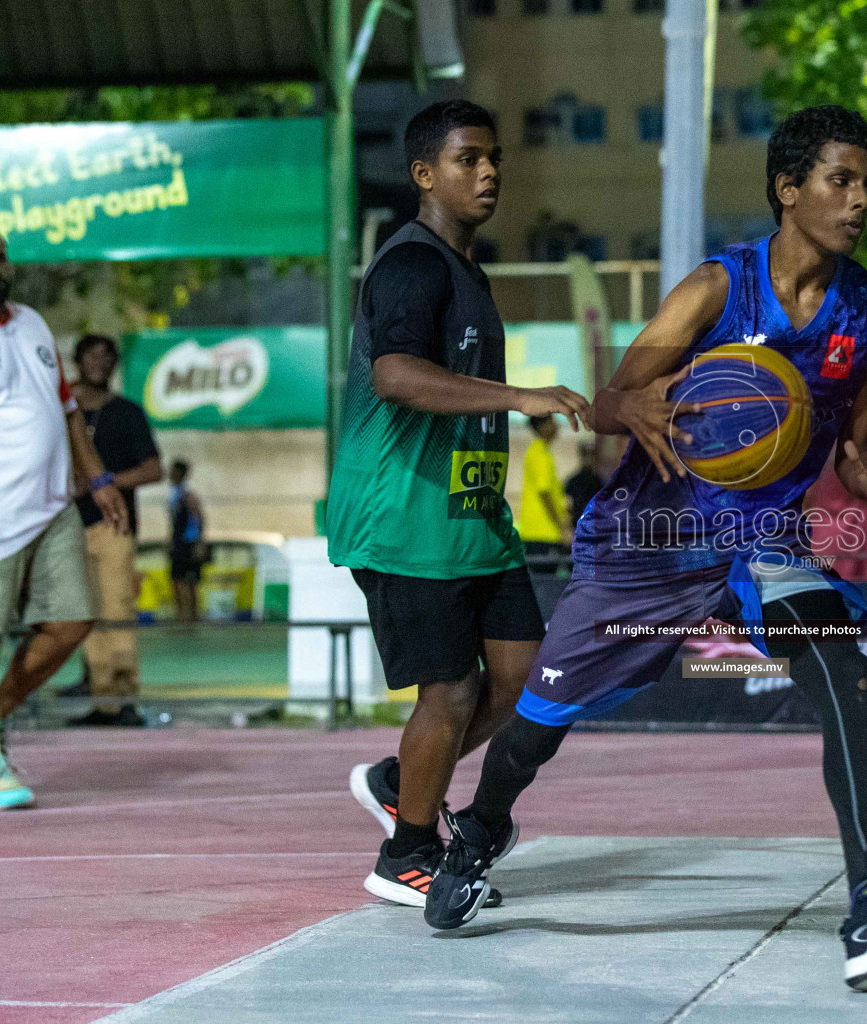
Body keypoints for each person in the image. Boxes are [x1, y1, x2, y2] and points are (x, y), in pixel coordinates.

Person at [418, 106, 867, 991]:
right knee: (535, 730)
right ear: (787, 189)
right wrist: (631, 406)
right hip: (651, 539)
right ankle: (482, 830)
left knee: (844, 666)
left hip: (763, 535)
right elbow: (608, 400)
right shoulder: (719, 290)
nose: (861, 199)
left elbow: (850, 443)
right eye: (842, 180)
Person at [327, 100, 592, 912]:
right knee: (447, 693)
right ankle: (405, 853)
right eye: (469, 159)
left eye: (494, 158)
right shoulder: (409, 266)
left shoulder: (465, 270)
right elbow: (395, 376)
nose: (489, 173)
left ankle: (398, 781)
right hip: (405, 521)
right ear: (423, 174)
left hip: (473, 519)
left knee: (526, 683)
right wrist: (519, 395)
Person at [0, 222, 126, 809]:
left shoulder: (31, 323)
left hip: (52, 506)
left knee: (74, 621)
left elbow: (66, 411)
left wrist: (98, 478)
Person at [68, 334, 162, 727]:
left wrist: (103, 482)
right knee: (83, 615)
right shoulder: (60, 409)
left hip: (113, 526)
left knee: (117, 611)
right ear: (77, 361)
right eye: (92, 356)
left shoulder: (127, 413)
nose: (101, 363)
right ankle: (102, 700)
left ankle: (123, 702)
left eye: (108, 357)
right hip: (64, 526)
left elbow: (153, 468)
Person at [516, 413, 572, 575]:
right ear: (542, 427)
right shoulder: (539, 453)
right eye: (552, 422)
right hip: (541, 534)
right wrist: (562, 528)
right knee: (544, 588)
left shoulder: (542, 452)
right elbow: (544, 493)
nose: (556, 426)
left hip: (543, 534)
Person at [166, 460, 206, 623]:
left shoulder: (188, 496)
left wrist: (198, 543)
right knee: (177, 580)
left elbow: (198, 519)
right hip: (178, 543)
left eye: (174, 472)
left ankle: (191, 617)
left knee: (188, 582)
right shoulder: (173, 494)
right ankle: (181, 615)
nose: (171, 475)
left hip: (188, 544)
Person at [562, 439, 602, 527]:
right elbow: (567, 507)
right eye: (586, 454)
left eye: (592, 455)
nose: (589, 458)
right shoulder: (572, 481)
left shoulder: (600, 481)